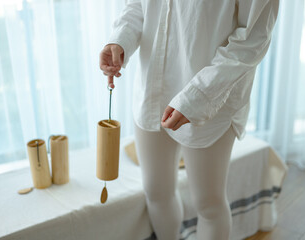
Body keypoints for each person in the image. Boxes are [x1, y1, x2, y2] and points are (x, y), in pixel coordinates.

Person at [99, 0, 279, 239]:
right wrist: (120, 39)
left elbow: (252, 40)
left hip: (213, 97)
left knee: (209, 204)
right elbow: (138, 6)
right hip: (151, 89)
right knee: (156, 192)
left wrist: (198, 96)